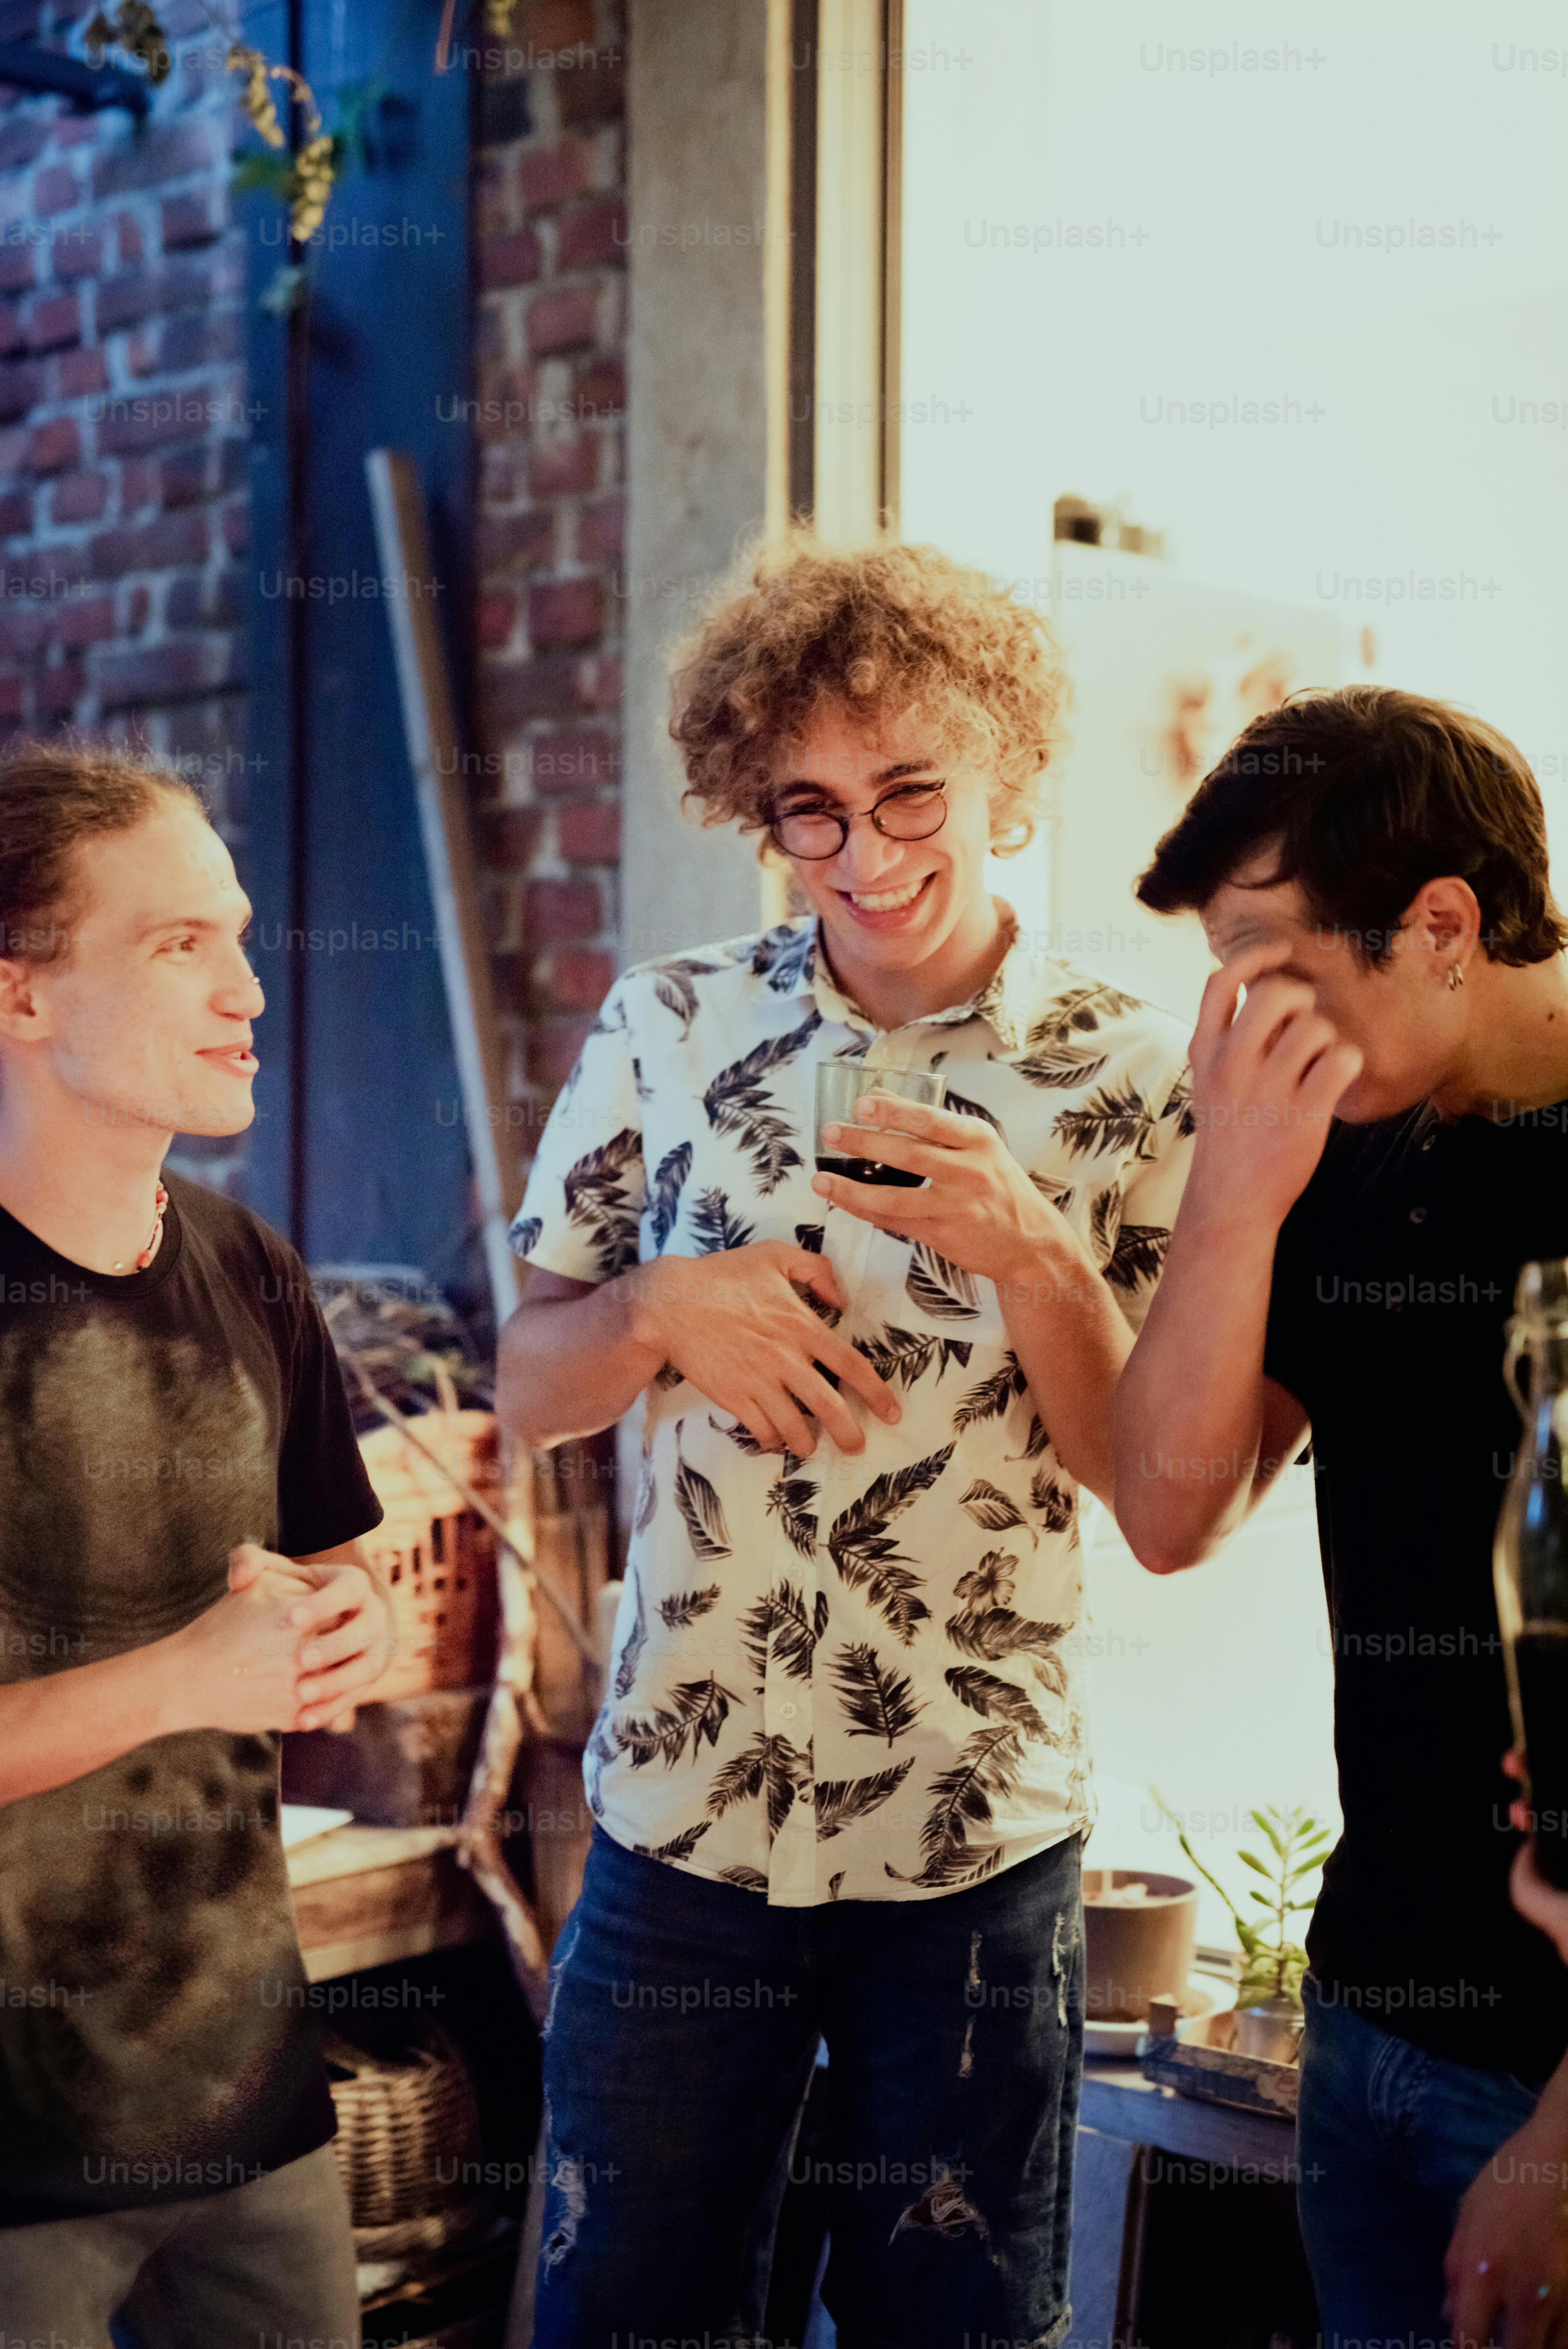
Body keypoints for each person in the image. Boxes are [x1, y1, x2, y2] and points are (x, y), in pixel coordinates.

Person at [497, 536, 1194, 2349]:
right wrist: (655, 1312)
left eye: (909, 795)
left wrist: (1039, 1254)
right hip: (680, 1822)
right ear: (752, 804)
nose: (865, 856)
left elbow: (1161, 1485)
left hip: (967, 1837)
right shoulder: (670, 1022)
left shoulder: (1130, 1073)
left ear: (1005, 775)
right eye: (807, 811)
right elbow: (527, 1384)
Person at [1112, 684, 1568, 2349]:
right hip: (1364, 2017)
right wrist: (1232, 1192)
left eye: (1274, 969)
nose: (1239, 1022)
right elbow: (1164, 1511)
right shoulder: (1347, 1147)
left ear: (1439, 925)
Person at [0, 741, 394, 2344]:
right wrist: (193, 1673)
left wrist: (348, 1620)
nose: (246, 988)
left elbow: (334, 1561)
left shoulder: (250, 1263)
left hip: (251, 2110)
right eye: (178, 946)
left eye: (235, 935)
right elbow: (202, 1668)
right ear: (23, 996)